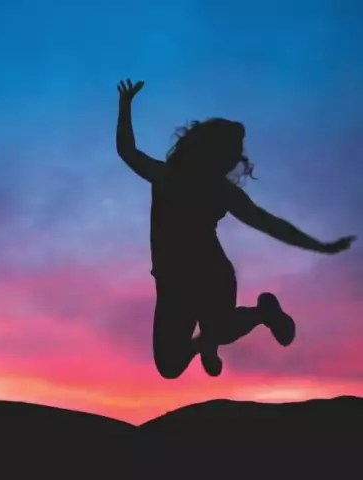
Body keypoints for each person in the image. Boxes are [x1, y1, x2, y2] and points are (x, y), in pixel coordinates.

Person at [115, 78, 356, 379]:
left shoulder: (220, 191)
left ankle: (262, 313)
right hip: (171, 280)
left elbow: (269, 223)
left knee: (221, 328)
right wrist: (125, 107)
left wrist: (320, 246)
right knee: (170, 366)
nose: (232, 161)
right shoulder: (168, 176)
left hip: (210, 274)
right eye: (230, 154)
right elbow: (127, 151)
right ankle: (207, 342)